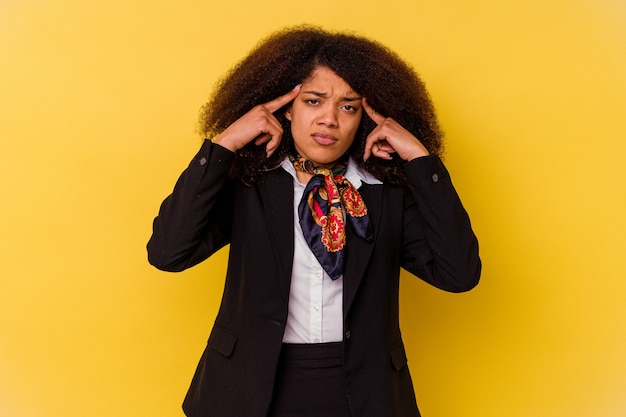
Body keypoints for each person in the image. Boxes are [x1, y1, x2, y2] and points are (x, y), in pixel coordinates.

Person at [147, 26, 481, 417]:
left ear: (365, 118)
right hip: (249, 391)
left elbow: (459, 274)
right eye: (313, 101)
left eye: (348, 106)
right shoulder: (248, 184)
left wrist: (422, 162)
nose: (329, 120)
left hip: (364, 394)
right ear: (287, 107)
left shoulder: (384, 191)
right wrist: (224, 145)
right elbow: (168, 252)